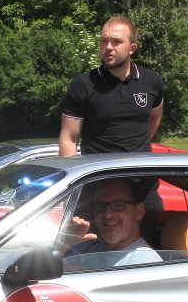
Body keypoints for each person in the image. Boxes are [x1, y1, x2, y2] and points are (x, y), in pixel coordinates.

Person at [58, 15, 165, 157]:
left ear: (132, 48)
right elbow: (69, 139)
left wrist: (137, 148)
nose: (108, 47)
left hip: (141, 170)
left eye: (116, 42)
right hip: (99, 170)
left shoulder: (151, 80)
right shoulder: (83, 84)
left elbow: (155, 117)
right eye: (104, 41)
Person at [61, 178, 160, 269]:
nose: (108, 214)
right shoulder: (95, 249)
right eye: (101, 206)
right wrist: (66, 242)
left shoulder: (142, 263)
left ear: (139, 212)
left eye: (118, 205)